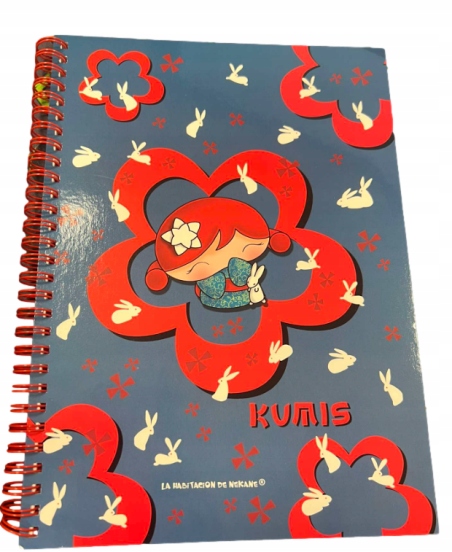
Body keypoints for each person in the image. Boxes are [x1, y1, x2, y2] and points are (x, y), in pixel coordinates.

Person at [145, 197, 290, 309]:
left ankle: (241, 281)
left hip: (246, 294)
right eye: (200, 263)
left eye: (245, 247)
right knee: (211, 279)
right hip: (212, 298)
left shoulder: (238, 266)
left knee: (236, 265)